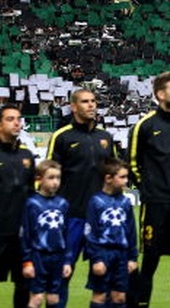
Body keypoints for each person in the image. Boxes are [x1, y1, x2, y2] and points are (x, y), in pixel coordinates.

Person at [127, 71, 170, 308]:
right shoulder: (144, 126)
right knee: (150, 262)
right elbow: (132, 163)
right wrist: (149, 190)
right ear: (160, 94)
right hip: (155, 205)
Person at [46, 88, 117, 308]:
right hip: (71, 217)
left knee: (105, 276)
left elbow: (115, 175)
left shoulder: (105, 137)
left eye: (93, 101)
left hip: (101, 220)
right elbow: (49, 176)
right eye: (85, 101)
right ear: (73, 107)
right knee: (61, 273)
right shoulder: (62, 137)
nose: (91, 105)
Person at [84, 157, 138, 308]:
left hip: (121, 254)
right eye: (122, 177)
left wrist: (132, 257)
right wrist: (96, 259)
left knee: (120, 297)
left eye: (127, 177)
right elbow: (90, 232)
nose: (126, 181)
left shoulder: (125, 202)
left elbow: (131, 231)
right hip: (103, 253)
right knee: (100, 295)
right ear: (108, 178)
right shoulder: (96, 201)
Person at [20, 160, 71, 308]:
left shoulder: (63, 204)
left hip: (58, 257)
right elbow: (25, 235)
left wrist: (67, 260)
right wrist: (27, 262)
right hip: (38, 257)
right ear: (39, 179)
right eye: (51, 178)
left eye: (58, 178)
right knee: (36, 299)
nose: (55, 182)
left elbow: (66, 234)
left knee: (54, 298)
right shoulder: (32, 204)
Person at [0, 104, 35, 308]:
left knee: (23, 286)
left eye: (18, 119)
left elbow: (32, 194)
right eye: (10, 119)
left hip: (21, 235)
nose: (16, 123)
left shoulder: (26, 156)